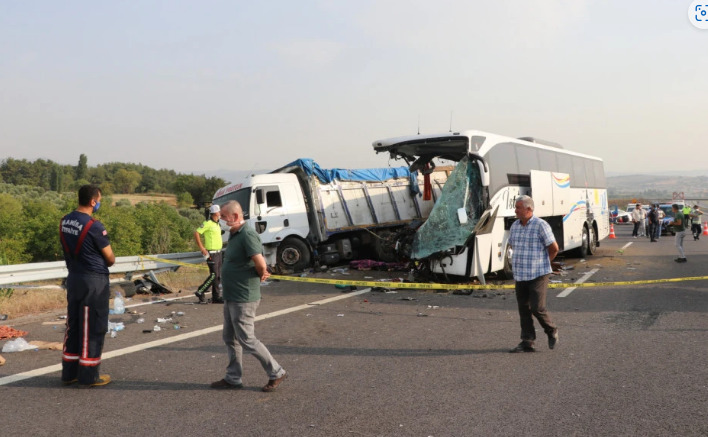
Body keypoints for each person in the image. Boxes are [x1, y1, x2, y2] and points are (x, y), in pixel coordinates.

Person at [210, 200, 287, 391]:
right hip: (231, 295)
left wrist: (262, 274)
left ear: (236, 217)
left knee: (246, 339)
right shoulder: (235, 235)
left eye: (225, 218)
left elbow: (260, 263)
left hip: (244, 296)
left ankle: (276, 372)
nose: (222, 221)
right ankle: (233, 378)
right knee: (230, 337)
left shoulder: (248, 235)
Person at [59, 185, 115, 388]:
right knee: (93, 327)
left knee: (74, 325)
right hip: (94, 281)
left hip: (74, 277)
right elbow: (110, 258)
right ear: (93, 201)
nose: (100, 202)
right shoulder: (95, 226)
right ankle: (89, 375)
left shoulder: (65, 220)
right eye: (99, 199)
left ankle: (69, 373)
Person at [507, 195, 559, 353]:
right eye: (515, 207)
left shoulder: (541, 225)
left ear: (529, 209)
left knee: (537, 307)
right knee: (523, 308)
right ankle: (527, 341)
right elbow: (512, 245)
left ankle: (551, 330)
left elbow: (554, 248)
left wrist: (545, 262)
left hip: (538, 273)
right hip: (521, 274)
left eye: (518, 208)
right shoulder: (515, 225)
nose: (515, 211)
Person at [194, 204, 224, 304]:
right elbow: (196, 233)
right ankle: (201, 290)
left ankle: (216, 297)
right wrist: (202, 248)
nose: (220, 213)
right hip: (211, 253)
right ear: (215, 213)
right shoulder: (207, 223)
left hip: (219, 253)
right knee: (214, 275)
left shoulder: (217, 224)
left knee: (218, 276)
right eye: (219, 211)